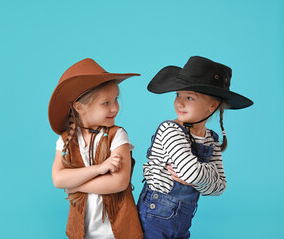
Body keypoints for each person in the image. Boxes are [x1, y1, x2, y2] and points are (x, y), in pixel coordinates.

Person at [137, 56, 253, 239]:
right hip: (155, 215)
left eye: (189, 97)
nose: (179, 103)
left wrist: (195, 178)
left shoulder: (211, 140)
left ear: (212, 106)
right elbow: (192, 173)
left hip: (183, 219)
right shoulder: (170, 130)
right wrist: (205, 176)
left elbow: (220, 187)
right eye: (178, 95)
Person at [49, 58, 143, 239]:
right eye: (105, 103)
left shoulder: (118, 136)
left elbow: (118, 183)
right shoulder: (66, 139)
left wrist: (75, 186)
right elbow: (58, 179)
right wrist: (98, 169)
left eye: (116, 100)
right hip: (82, 231)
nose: (115, 108)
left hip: (117, 232)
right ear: (79, 107)